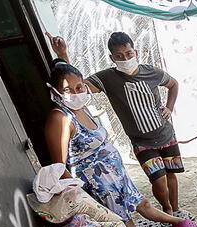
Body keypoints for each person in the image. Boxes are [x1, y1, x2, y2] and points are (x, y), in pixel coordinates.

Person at [44, 60, 197, 227]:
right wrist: (80, 196)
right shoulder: (59, 118)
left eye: (79, 87)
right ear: (56, 92)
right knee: (119, 217)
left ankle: (168, 224)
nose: (76, 93)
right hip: (96, 183)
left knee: (140, 203)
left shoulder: (82, 109)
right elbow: (59, 167)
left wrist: (62, 55)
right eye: (69, 90)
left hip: (115, 174)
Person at [47, 32, 188, 217]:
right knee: (159, 179)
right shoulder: (107, 78)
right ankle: (167, 210)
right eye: (120, 56)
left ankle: (175, 209)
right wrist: (63, 56)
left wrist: (169, 107)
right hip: (141, 141)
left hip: (166, 134)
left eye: (129, 54)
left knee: (171, 175)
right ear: (112, 58)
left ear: (135, 52)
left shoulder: (151, 72)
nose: (126, 59)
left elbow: (173, 84)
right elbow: (78, 85)